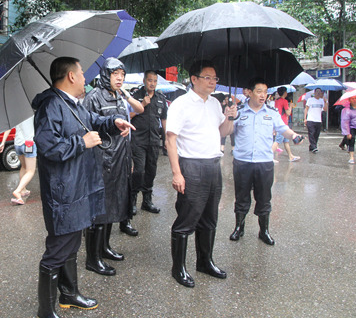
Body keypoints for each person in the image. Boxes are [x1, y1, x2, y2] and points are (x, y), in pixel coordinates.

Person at [32, 57, 134, 318]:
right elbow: (47, 147)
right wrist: (82, 142)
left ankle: (69, 294)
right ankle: (46, 310)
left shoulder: (70, 104)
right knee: (57, 249)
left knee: (72, 242)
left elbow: (93, 119)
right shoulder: (50, 106)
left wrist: (114, 123)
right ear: (71, 77)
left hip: (79, 186)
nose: (85, 78)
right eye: (81, 72)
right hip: (63, 191)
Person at [165, 60, 236, 288]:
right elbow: (171, 139)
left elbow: (222, 132)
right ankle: (179, 268)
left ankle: (205, 261)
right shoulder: (181, 104)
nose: (212, 82)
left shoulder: (215, 103)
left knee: (209, 218)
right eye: (208, 77)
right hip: (192, 166)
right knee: (187, 218)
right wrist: (177, 173)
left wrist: (230, 117)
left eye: (215, 78)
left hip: (213, 165)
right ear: (193, 79)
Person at [83, 58, 144, 275]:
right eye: (115, 73)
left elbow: (127, 119)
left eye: (122, 74)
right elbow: (85, 128)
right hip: (100, 161)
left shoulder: (119, 97)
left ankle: (105, 247)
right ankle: (93, 258)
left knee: (113, 206)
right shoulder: (92, 98)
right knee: (99, 211)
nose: (120, 78)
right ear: (106, 74)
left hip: (120, 158)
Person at [229, 78, 304, 246]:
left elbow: (282, 128)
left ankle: (264, 231)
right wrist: (229, 117)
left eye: (265, 91)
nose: (263, 95)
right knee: (241, 197)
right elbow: (227, 131)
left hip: (264, 162)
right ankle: (239, 228)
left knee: (264, 198)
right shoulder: (239, 111)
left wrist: (294, 136)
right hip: (242, 162)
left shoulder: (271, 112)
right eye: (259, 91)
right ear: (249, 92)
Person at [130, 70, 168, 214]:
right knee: (139, 170)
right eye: (150, 80)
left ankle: (147, 201)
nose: (152, 83)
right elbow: (128, 116)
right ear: (144, 81)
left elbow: (164, 119)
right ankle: (132, 200)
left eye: (155, 81)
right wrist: (142, 105)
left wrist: (166, 139)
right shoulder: (135, 96)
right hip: (138, 140)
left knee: (151, 171)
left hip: (153, 140)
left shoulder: (160, 98)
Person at [0, 116, 37, 205]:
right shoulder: (31, 112)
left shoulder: (16, 113)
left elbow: (8, 127)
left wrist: (3, 142)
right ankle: (18, 191)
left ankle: (23, 190)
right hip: (29, 144)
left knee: (23, 167)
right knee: (31, 171)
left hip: (18, 144)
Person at [273, 87, 300, 162]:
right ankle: (269, 157)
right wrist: (290, 106)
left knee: (286, 141)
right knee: (278, 141)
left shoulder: (276, 101)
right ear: (284, 93)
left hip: (279, 122)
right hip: (283, 123)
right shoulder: (284, 101)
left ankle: (290, 156)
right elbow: (288, 113)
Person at [304, 88, 327, 153]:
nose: (318, 93)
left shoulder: (321, 101)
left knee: (316, 134)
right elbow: (306, 109)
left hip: (318, 120)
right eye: (317, 91)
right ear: (314, 92)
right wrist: (305, 118)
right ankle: (314, 147)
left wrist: (326, 102)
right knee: (311, 133)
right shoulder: (310, 100)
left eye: (319, 92)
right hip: (310, 119)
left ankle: (312, 146)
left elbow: (325, 109)